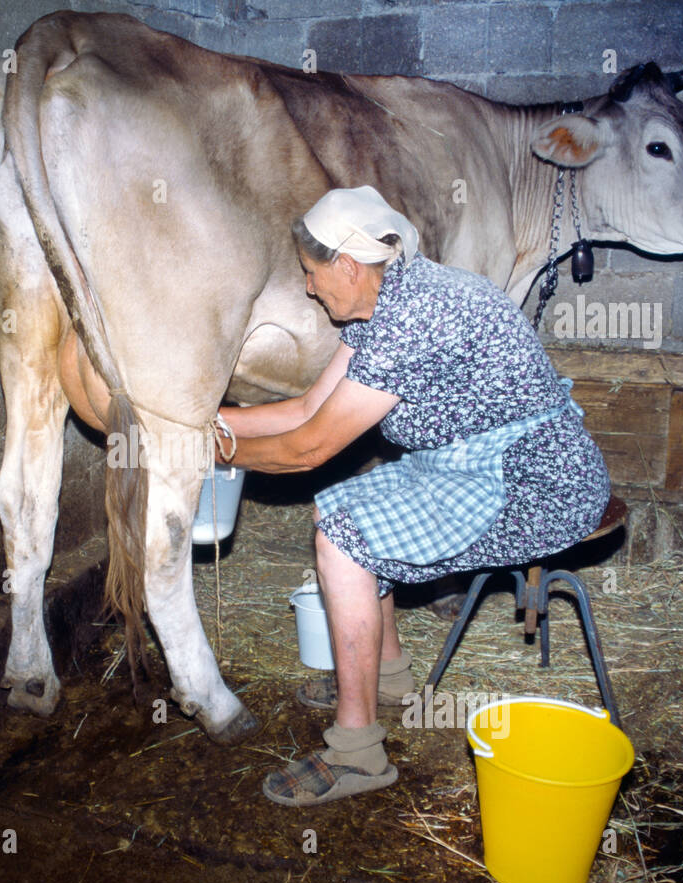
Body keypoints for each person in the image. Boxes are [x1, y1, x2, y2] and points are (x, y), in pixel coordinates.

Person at [214, 185, 611, 807]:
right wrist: (206, 424)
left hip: (534, 482)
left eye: (312, 274)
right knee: (343, 506)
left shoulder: (413, 317)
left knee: (343, 541)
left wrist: (212, 453)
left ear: (347, 264)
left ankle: (358, 752)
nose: (311, 288)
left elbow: (309, 448)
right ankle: (391, 677)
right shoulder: (388, 299)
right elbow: (306, 408)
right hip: (467, 465)